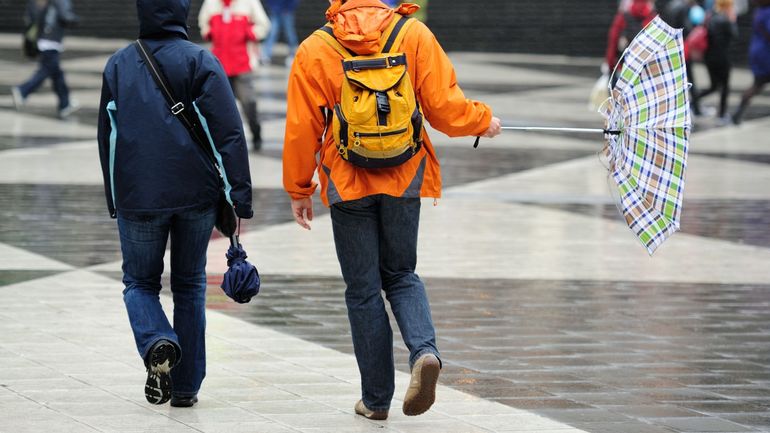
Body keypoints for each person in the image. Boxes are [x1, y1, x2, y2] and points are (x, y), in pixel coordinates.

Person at [282, 0, 501, 420]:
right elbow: (444, 107)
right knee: (401, 274)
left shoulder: (316, 47)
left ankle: (376, 400)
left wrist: (299, 188)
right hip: (405, 173)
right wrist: (482, 120)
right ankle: (423, 352)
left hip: (347, 179)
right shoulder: (412, 33)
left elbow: (301, 127)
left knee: (363, 290)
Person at [97, 0, 253, 408]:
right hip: (196, 195)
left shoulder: (118, 65)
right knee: (190, 284)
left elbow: (107, 138)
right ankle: (186, 387)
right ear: (183, 11)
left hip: (138, 196)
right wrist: (241, 195)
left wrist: (115, 198)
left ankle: (157, 340)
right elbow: (229, 133)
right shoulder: (201, 60)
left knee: (139, 283)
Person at [199, 0, 270, 151]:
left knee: (249, 102)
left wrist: (247, 32)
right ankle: (224, 141)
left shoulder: (249, 2)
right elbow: (203, 23)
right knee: (220, 107)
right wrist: (210, 32)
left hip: (243, 63)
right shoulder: (211, 3)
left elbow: (264, 25)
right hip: (219, 65)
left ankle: (256, 133)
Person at [11, 0, 80, 119]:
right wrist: (75, 20)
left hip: (44, 39)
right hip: (52, 41)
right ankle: (22, 91)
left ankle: (65, 103)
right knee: (45, 71)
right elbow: (65, 16)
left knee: (57, 75)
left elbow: (35, 17)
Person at [697, 0, 738, 123]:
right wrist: (732, 20)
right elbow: (735, 35)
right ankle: (721, 115)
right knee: (724, 86)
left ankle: (693, 100)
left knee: (714, 86)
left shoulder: (710, 15)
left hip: (709, 56)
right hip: (722, 57)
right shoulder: (726, 19)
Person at [662, 0, 704, 115]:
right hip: (682, 48)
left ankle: (673, 109)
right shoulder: (684, 8)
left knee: (674, 80)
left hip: (671, 47)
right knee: (690, 78)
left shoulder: (670, 5)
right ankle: (696, 108)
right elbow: (686, 27)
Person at [733, 0, 770, 124]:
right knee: (758, 85)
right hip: (765, 54)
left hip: (758, 51)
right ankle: (737, 113)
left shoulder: (759, 11)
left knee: (757, 85)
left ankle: (738, 112)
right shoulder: (766, 12)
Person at [605, 0, 657, 80]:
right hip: (646, 72)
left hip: (624, 69)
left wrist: (610, 65)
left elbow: (613, 43)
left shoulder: (622, 17)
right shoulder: (653, 18)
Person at [260, 0, 301, 66]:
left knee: (290, 34)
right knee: (272, 33)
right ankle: (265, 55)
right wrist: (272, 7)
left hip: (287, 11)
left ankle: (293, 55)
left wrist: (289, 8)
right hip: (275, 10)